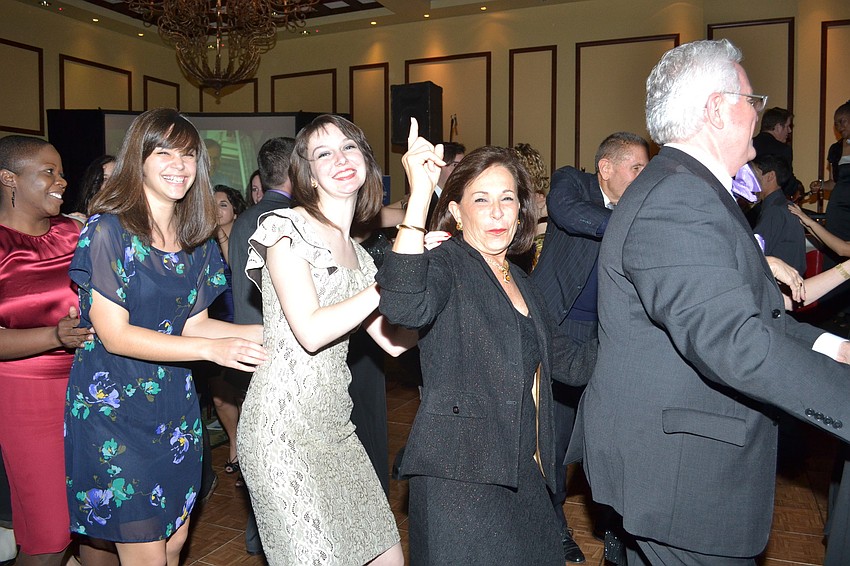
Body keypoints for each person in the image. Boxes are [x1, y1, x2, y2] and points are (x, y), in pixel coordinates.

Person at [577, 39, 850, 565]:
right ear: (716, 109)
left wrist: (829, 348)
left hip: (677, 469)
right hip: (682, 480)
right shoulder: (678, 197)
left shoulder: (689, 188)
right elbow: (734, 341)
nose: (758, 114)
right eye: (753, 100)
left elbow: (744, 310)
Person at [376, 120, 595, 565]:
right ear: (457, 211)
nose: (497, 212)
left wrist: (645, 338)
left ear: (521, 210)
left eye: (507, 199)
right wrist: (419, 196)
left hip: (523, 474)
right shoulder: (446, 263)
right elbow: (402, 307)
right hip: (460, 482)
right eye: (481, 199)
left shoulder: (520, 279)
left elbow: (568, 360)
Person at [64, 108, 267, 566]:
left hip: (174, 406)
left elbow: (194, 324)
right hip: (113, 407)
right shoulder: (108, 230)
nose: (180, 164)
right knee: (146, 551)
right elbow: (114, 335)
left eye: (190, 154)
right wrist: (213, 350)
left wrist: (277, 333)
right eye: (165, 152)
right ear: (139, 158)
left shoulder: (195, 238)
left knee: (172, 544)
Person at [237, 114, 413, 565]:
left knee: (388, 557)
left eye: (349, 147)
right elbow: (312, 331)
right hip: (283, 432)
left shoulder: (360, 256)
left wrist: (428, 284)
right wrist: (391, 279)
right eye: (323, 153)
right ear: (307, 173)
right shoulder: (285, 229)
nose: (340, 159)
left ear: (368, 163)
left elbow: (394, 343)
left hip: (337, 429)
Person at [532, 131, 649, 564]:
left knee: (610, 437)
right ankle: (553, 522)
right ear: (606, 168)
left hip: (611, 336)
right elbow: (565, 212)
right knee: (556, 437)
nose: (644, 177)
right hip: (559, 329)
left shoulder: (639, 207)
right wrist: (630, 224)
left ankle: (617, 534)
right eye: (636, 167)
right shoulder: (574, 184)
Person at [0, 135, 92, 566]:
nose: (62, 180)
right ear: (9, 178)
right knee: (50, 535)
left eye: (60, 171)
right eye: (48, 172)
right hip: (26, 397)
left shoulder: (74, 232)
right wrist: (54, 337)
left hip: (92, 388)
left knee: (96, 522)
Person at [225, 136, 295, 556]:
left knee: (261, 455)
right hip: (280, 351)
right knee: (284, 459)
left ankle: (258, 537)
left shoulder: (244, 219)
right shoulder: (293, 218)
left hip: (245, 351)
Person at [750, 154, 806, 274]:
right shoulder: (781, 205)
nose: (750, 179)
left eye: (755, 175)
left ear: (770, 176)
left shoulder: (775, 210)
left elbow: (753, 254)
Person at [70, 154, 115, 219]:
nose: (111, 184)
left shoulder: (130, 219)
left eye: (116, 179)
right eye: (104, 179)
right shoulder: (82, 220)